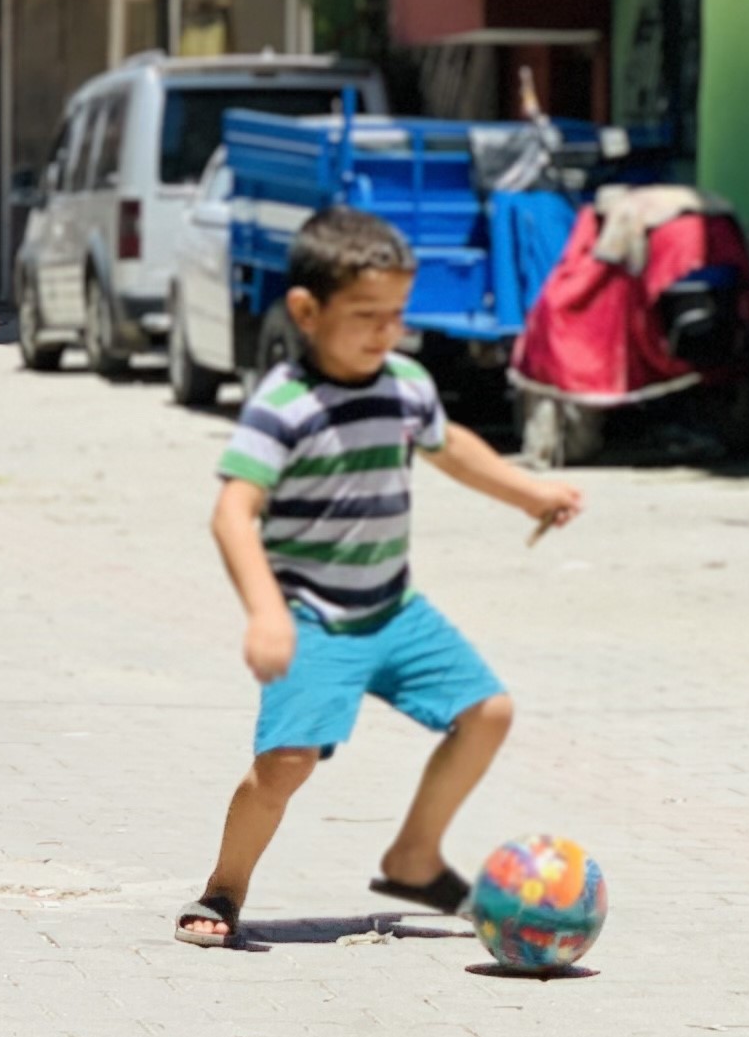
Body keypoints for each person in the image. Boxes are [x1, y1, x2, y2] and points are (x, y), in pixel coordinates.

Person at [176, 206, 585, 948]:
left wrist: (531, 492)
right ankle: (224, 889)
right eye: (365, 315)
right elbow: (233, 514)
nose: (383, 331)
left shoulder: (405, 384)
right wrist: (266, 613)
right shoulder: (284, 405)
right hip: (310, 617)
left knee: (488, 712)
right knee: (284, 764)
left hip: (393, 609)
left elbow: (450, 446)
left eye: (395, 314)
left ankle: (415, 855)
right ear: (307, 311)